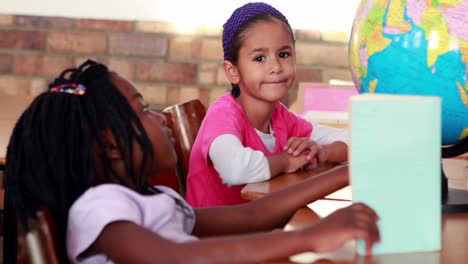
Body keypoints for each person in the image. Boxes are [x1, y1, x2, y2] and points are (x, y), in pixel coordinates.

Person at [3, 60, 380, 263]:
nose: (159, 119)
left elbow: (253, 216)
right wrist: (310, 237)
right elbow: (173, 257)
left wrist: (351, 171)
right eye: (144, 110)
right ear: (111, 145)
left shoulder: (153, 200)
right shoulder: (100, 208)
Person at [186, 2, 349, 207]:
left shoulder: (282, 117)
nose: (275, 67)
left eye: (283, 54)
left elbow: (355, 142)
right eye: (260, 58)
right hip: (217, 235)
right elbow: (234, 169)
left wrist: (323, 151)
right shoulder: (223, 114)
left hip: (259, 229)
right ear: (232, 71)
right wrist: (287, 161)